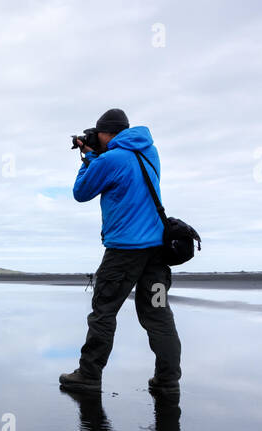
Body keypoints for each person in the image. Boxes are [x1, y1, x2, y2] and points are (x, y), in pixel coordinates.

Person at [59, 108, 182, 396]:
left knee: (103, 311)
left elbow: (81, 192)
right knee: (158, 314)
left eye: (97, 133)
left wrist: (89, 157)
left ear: (105, 133)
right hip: (157, 253)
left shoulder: (112, 158)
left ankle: (88, 375)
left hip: (124, 252)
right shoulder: (150, 153)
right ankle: (168, 380)